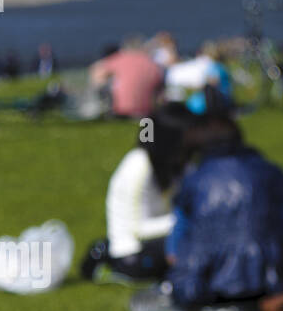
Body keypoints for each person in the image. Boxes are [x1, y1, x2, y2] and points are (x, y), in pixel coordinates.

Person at [141, 105, 283, 311]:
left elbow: (174, 249)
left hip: (206, 288)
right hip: (270, 282)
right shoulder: (272, 173)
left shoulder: (195, 181)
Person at [79, 102, 197, 284]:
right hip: (133, 252)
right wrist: (185, 221)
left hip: (161, 239)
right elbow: (138, 229)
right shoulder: (138, 166)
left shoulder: (176, 166)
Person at [89, 38, 163, 119]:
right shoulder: (152, 63)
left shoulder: (118, 59)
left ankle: (102, 111)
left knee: (102, 84)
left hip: (120, 110)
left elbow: (97, 73)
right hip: (146, 111)